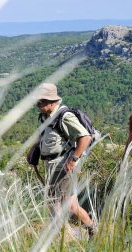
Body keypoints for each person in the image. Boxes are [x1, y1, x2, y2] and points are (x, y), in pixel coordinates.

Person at [34, 83, 95, 237]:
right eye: (38, 100)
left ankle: (61, 236)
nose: (38, 104)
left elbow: (85, 137)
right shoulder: (45, 118)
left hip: (63, 165)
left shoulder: (64, 116)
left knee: (56, 203)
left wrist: (73, 159)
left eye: (42, 101)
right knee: (70, 206)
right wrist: (33, 151)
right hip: (52, 165)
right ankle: (92, 229)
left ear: (53, 102)